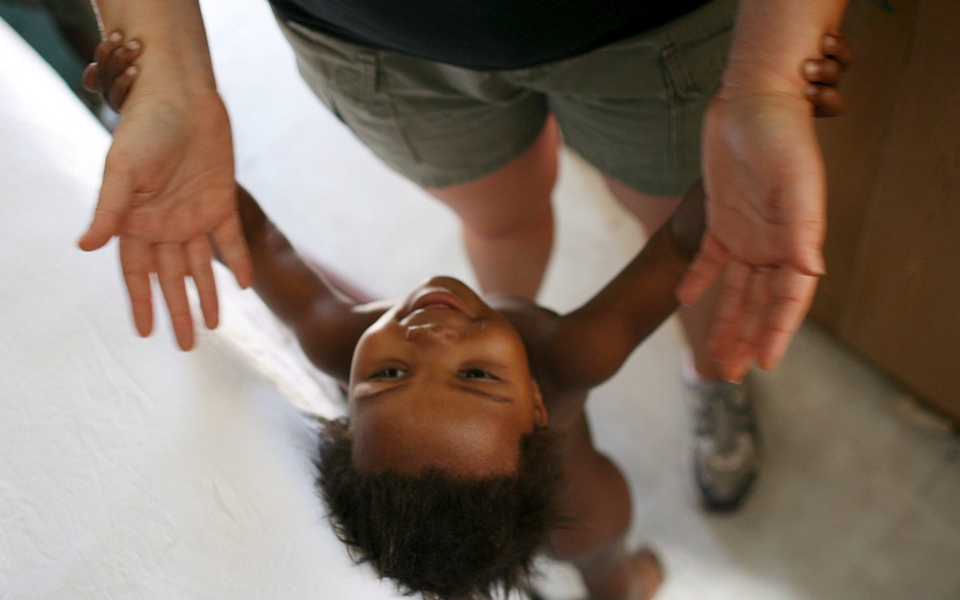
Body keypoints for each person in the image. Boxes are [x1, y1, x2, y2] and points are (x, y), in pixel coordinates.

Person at [79, 0, 850, 510]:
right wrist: (768, 118)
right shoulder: (572, 352)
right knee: (599, 534)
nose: (430, 338)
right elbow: (687, 245)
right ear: (542, 413)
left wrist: (161, 116)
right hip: (372, 36)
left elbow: (253, 237)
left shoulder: (333, 339)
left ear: (349, 409)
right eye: (476, 376)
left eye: (389, 375)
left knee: (538, 226)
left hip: (644, 21)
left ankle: (710, 376)